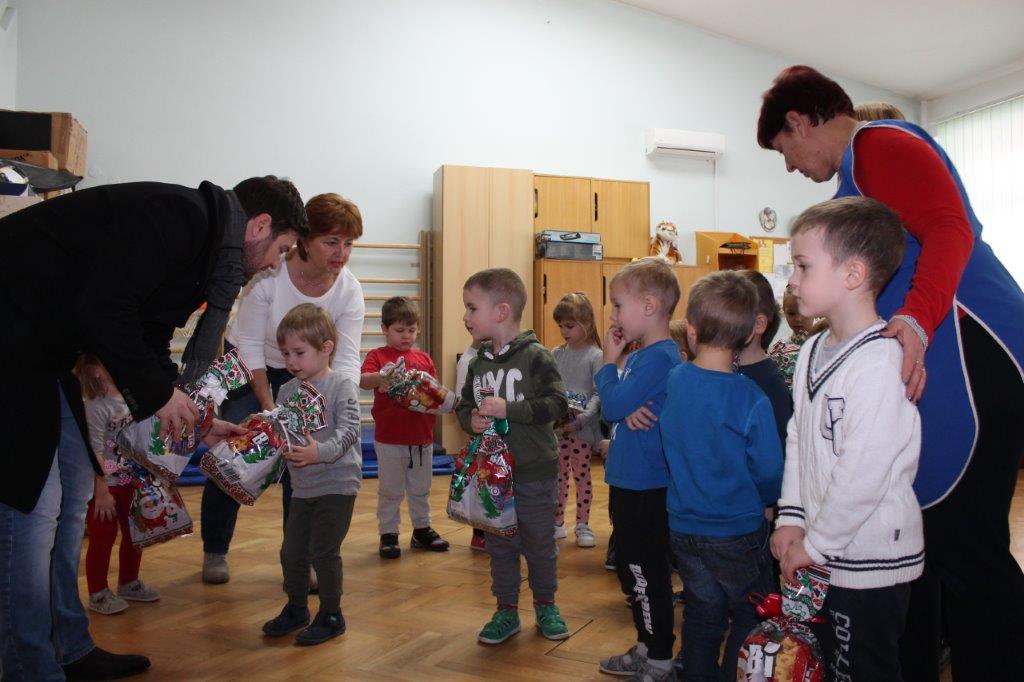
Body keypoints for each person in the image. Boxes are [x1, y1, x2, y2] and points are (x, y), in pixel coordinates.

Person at [758, 65, 1024, 680]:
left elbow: (952, 228)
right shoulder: (851, 188)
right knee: (927, 545)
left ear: (799, 121)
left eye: (784, 150)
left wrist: (917, 320)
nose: (791, 167)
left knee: (967, 547)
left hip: (974, 349)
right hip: (940, 360)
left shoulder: (879, 142)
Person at [0, 174, 304, 680]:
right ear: (259, 225)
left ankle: (69, 647)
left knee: (72, 497)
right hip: (12, 338)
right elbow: (104, 310)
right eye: (282, 249)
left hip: (42, 348)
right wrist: (163, 397)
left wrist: (196, 421)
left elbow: (148, 335)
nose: (276, 263)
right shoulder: (180, 218)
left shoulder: (205, 249)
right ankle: (28, 667)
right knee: (34, 506)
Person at [771, 197, 923, 680]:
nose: (792, 280)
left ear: (853, 274)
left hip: (869, 561)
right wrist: (792, 518)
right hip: (826, 549)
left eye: (803, 266)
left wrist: (816, 545)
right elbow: (798, 438)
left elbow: (864, 473)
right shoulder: (811, 349)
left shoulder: (880, 362)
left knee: (864, 670)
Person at [201, 192, 365, 584]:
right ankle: (215, 549)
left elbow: (346, 359)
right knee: (235, 454)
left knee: (301, 463)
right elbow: (249, 347)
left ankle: (300, 558)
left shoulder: (348, 290)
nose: (342, 253)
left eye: (348, 243)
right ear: (305, 239)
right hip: (254, 370)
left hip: (311, 377)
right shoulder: (269, 275)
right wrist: (271, 410)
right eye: (331, 241)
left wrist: (337, 403)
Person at [662, 271, 783, 681]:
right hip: (737, 529)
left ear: (691, 331)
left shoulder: (676, 379)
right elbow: (769, 468)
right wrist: (769, 501)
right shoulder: (751, 397)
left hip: (684, 526)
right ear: (749, 333)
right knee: (753, 611)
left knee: (703, 612)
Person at [456, 268, 570, 645]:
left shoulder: (536, 356)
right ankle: (506, 609)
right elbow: (465, 406)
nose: (466, 316)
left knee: (539, 544)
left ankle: (546, 605)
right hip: (493, 476)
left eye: (472, 308)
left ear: (502, 311)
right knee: (500, 545)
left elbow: (557, 404)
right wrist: (470, 420)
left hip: (535, 472)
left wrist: (510, 409)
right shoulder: (477, 362)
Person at [595, 258, 682, 682]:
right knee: (634, 570)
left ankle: (660, 657)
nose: (613, 316)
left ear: (648, 306)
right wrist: (624, 408)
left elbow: (612, 403)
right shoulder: (644, 356)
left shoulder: (656, 358)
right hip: (629, 480)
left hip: (645, 485)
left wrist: (607, 363)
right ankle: (647, 645)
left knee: (645, 573)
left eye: (617, 305)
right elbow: (618, 409)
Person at [261, 304, 362, 646]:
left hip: (338, 484)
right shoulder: (287, 391)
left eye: (299, 352)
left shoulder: (341, 385)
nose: (291, 361)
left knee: (323, 551)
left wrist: (319, 452)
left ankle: (332, 614)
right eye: (285, 353)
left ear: (326, 348)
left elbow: (350, 432)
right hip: (303, 487)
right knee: (292, 552)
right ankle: (296, 608)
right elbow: (284, 437)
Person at [360, 296, 449, 558]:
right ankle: (388, 533)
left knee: (421, 488)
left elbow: (435, 393)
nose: (406, 336)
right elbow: (363, 381)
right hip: (389, 439)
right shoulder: (377, 356)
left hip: (421, 437)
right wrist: (380, 378)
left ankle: (422, 529)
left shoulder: (424, 358)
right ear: (384, 329)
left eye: (411, 330)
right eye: (399, 330)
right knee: (390, 490)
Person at [76, 354, 161, 616]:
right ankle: (98, 592)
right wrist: (101, 491)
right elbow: (94, 449)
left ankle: (129, 582)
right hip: (106, 484)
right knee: (103, 537)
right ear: (94, 370)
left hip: (132, 479)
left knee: (136, 532)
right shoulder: (96, 405)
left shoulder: (130, 396)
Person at [550, 292, 604, 548]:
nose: (564, 331)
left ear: (586, 323)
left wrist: (580, 420)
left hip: (582, 431)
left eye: (569, 326)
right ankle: (557, 521)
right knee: (558, 477)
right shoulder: (556, 354)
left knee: (582, 477)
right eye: (560, 326)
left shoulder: (595, 355)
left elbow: (599, 394)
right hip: (559, 430)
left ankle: (582, 524)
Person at [736, 270, 793, 450]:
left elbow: (777, 453)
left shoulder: (771, 387)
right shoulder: (725, 368)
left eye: (730, 313)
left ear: (759, 324)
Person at [455, 338, 487, 553]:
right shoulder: (468, 361)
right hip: (480, 436)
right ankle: (480, 533)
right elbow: (461, 402)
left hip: (504, 436)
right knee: (480, 483)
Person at [768, 287, 819, 388]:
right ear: (784, 311)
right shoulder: (778, 350)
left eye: (804, 312)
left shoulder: (824, 346)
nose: (798, 319)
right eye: (791, 313)